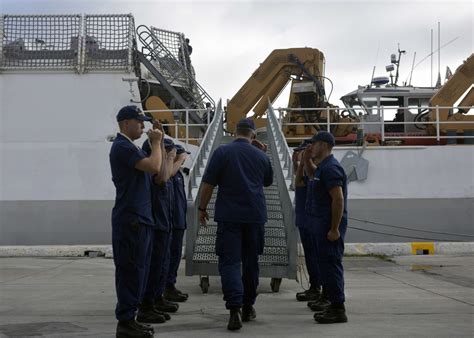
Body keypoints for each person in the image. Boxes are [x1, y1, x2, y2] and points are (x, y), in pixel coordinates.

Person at [198, 118, 273, 331]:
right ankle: (248, 307)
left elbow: (208, 184)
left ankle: (234, 311)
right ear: (253, 136)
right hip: (255, 217)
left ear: (234, 132)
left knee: (230, 262)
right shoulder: (261, 156)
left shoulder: (222, 153)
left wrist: (202, 209)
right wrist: (263, 152)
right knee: (251, 262)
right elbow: (267, 182)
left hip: (229, 217)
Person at [109, 105, 163, 337]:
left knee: (138, 270)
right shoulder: (122, 147)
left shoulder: (129, 147)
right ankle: (126, 322)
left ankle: (131, 318)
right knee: (130, 270)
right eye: (139, 122)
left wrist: (155, 146)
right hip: (131, 219)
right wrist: (158, 144)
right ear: (126, 123)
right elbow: (153, 167)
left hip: (139, 218)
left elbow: (159, 173)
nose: (143, 126)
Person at [303, 131, 348, 324]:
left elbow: (338, 199)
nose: (310, 147)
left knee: (331, 266)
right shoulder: (322, 168)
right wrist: (306, 159)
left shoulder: (331, 169)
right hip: (320, 225)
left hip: (328, 227)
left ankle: (338, 308)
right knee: (325, 266)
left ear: (323, 145)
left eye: (313, 144)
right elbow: (313, 175)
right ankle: (331, 303)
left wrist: (334, 229)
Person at [139, 137, 181, 323]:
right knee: (153, 267)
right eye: (165, 152)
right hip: (156, 226)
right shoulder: (154, 171)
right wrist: (171, 157)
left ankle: (157, 299)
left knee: (161, 266)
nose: (167, 155)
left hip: (165, 225)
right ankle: (147, 306)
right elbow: (163, 178)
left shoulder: (163, 169)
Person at [293, 139, 322, 302]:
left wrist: (304, 162)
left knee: (313, 256)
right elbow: (299, 179)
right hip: (305, 220)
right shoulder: (307, 170)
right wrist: (296, 163)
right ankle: (315, 287)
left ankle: (316, 287)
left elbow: (299, 183)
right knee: (311, 256)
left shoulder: (316, 171)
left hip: (310, 221)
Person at [164, 144, 191, 302]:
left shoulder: (178, 174)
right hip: (172, 222)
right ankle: (165, 288)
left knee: (174, 257)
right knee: (167, 257)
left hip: (179, 222)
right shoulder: (170, 174)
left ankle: (170, 286)